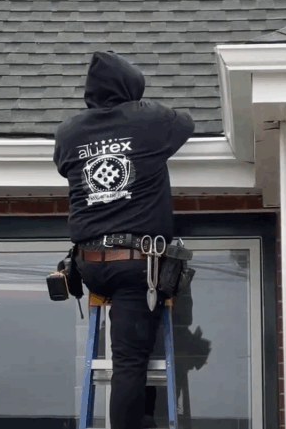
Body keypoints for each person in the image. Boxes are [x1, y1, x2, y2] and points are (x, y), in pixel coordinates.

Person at [53, 51, 194, 429]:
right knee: (129, 363)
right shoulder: (151, 119)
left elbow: (63, 163)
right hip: (137, 267)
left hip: (89, 266)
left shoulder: (69, 132)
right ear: (131, 89)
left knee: (125, 359)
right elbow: (187, 122)